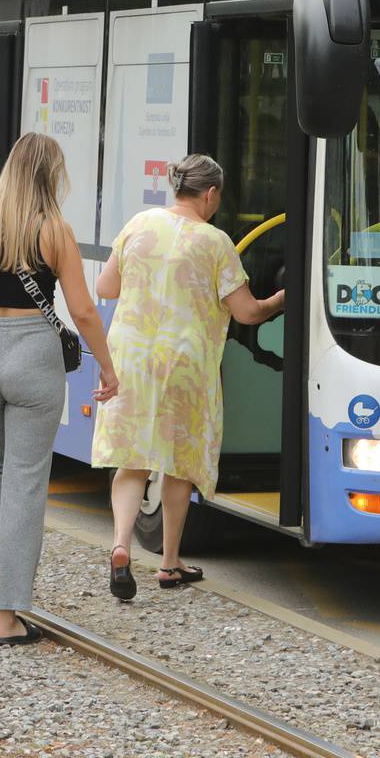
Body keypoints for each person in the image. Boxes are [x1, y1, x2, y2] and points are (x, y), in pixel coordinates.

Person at [0, 133, 119, 645]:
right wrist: (106, 367)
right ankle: (8, 616)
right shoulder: (54, 230)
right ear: (50, 176)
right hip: (33, 356)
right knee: (25, 480)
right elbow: (82, 310)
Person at [93, 155, 284, 598]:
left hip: (133, 361)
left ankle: (121, 545)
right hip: (185, 365)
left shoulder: (139, 225)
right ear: (211, 194)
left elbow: (105, 288)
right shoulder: (216, 242)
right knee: (178, 466)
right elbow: (247, 313)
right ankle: (168, 563)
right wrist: (280, 300)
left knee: (132, 460)